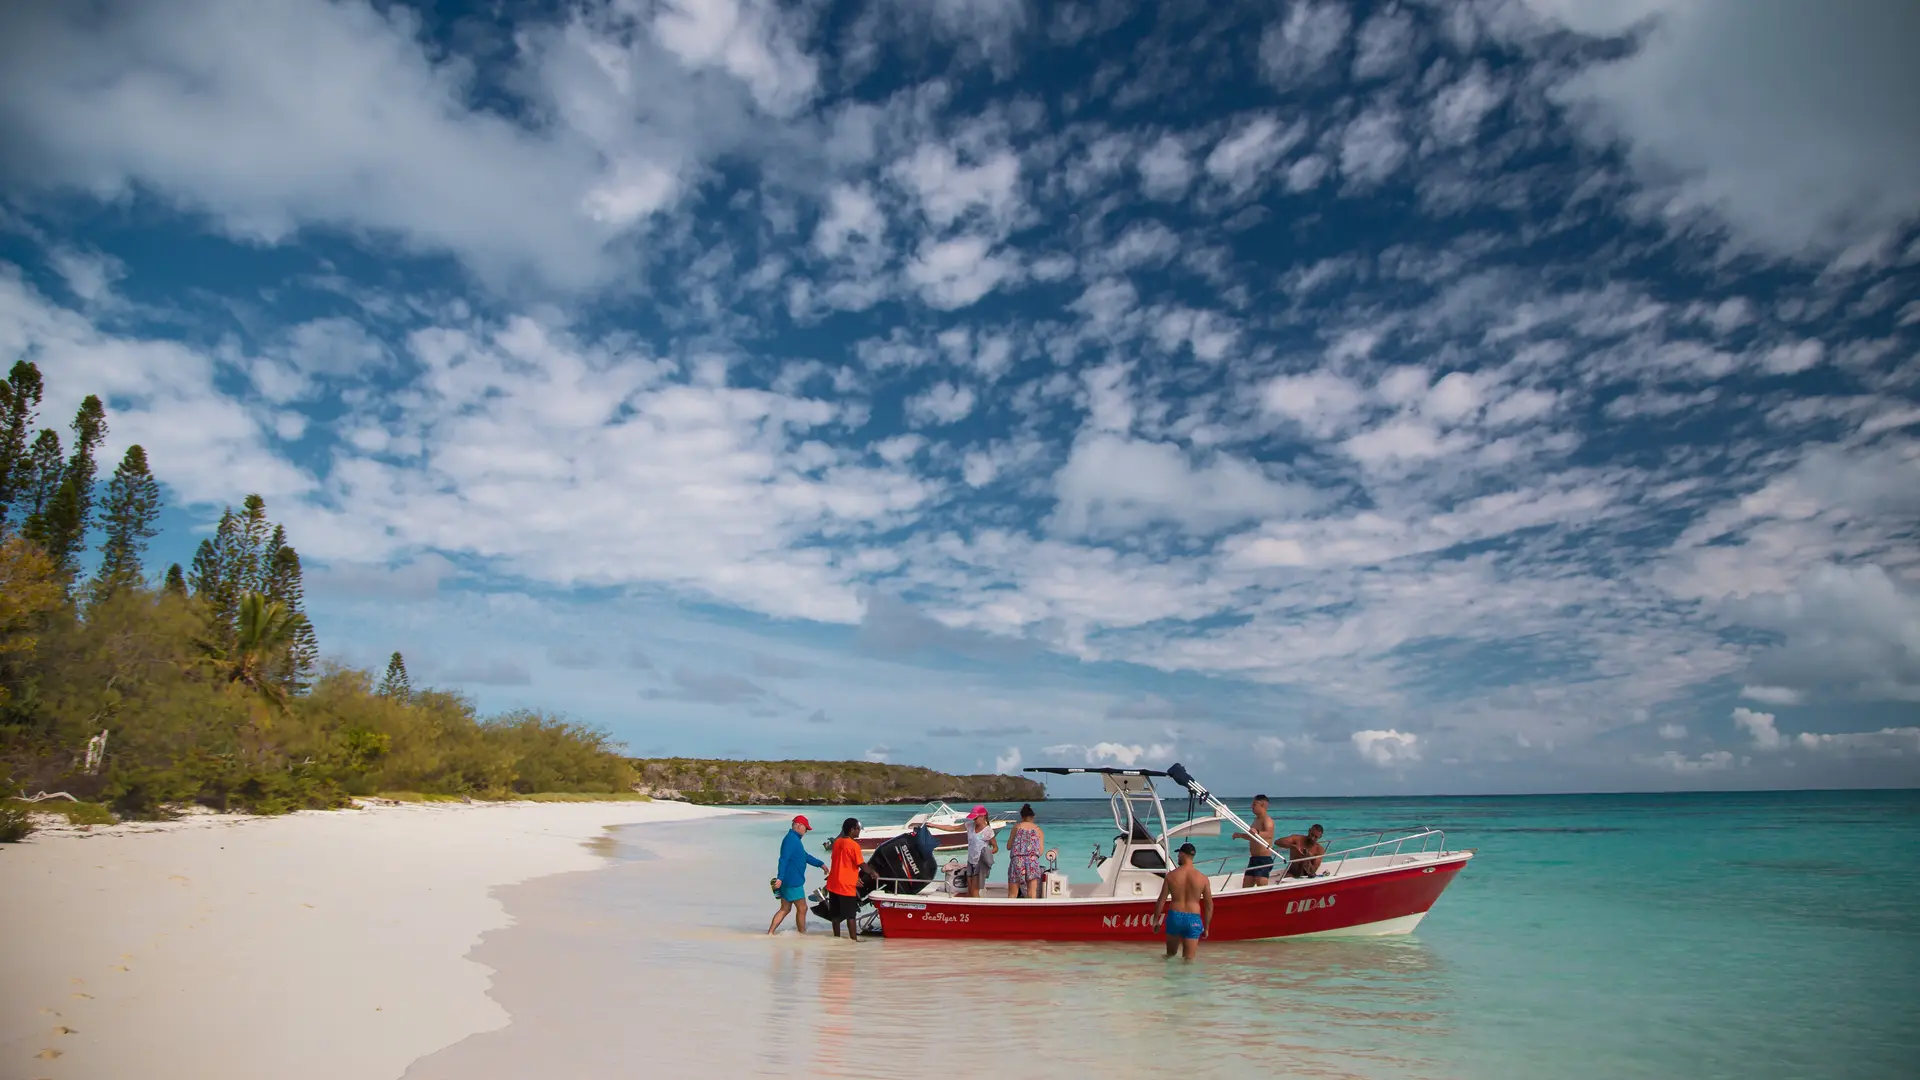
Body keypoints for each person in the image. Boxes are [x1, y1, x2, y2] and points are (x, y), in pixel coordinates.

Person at [1154, 842, 1214, 961]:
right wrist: (1206, 927)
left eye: (1178, 855)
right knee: (1188, 961)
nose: (1177, 857)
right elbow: (1209, 906)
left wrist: (1156, 920)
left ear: (1182, 854)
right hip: (1193, 919)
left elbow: (1161, 900)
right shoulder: (1203, 878)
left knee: (1169, 956)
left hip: (1175, 917)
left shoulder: (1171, 876)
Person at [768, 815, 825, 935]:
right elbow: (783, 859)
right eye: (806, 829)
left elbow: (805, 856)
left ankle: (770, 933)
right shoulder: (791, 840)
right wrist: (780, 877)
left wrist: (820, 864)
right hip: (792, 881)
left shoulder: (794, 840)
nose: (806, 832)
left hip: (789, 880)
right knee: (802, 908)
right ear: (799, 825)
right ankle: (801, 934)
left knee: (785, 908)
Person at [826, 817, 871, 941]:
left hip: (833, 883)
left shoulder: (837, 842)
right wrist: (873, 873)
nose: (859, 831)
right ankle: (854, 940)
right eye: (858, 829)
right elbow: (861, 864)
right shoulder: (854, 845)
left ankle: (836, 938)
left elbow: (841, 861)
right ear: (852, 830)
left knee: (835, 915)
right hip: (846, 885)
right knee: (851, 916)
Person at [1231, 794, 1277, 887]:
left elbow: (1269, 834)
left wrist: (1258, 832)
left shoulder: (1267, 820)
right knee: (1246, 884)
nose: (1252, 807)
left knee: (1261, 883)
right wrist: (1240, 835)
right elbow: (1253, 837)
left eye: (1254, 804)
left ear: (1262, 805)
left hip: (1264, 859)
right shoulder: (1256, 820)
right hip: (1253, 859)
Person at [1005, 803, 1049, 898]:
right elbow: (1040, 852)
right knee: (1032, 893)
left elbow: (1008, 846)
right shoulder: (1038, 830)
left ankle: (1010, 911)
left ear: (1022, 816)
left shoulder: (1017, 827)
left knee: (1012, 893)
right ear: (1033, 817)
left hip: (1017, 861)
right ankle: (1031, 911)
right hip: (1032, 861)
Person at [963, 805, 998, 897]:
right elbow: (953, 828)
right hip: (970, 861)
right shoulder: (970, 825)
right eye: (973, 818)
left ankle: (976, 909)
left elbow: (995, 847)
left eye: (976, 818)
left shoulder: (988, 830)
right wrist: (933, 825)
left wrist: (988, 853)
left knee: (974, 891)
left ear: (982, 816)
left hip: (980, 863)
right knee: (969, 890)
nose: (974, 820)